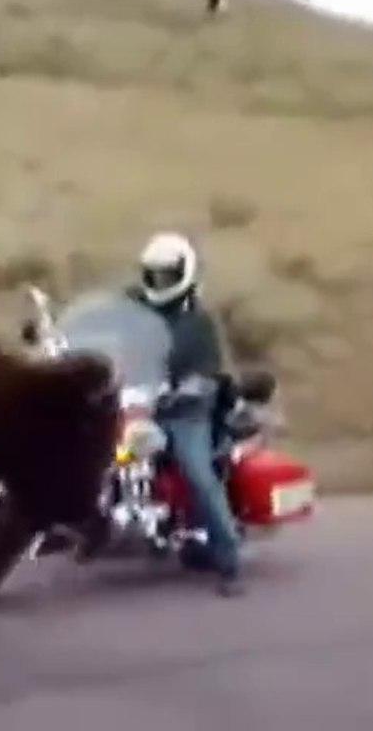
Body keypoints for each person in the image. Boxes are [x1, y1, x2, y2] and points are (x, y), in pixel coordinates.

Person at [129, 230, 246, 596]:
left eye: (167, 275)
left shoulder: (198, 323)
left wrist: (184, 389)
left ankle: (229, 561)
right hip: (138, 402)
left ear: (184, 273)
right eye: (154, 274)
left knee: (199, 477)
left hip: (184, 412)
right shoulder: (134, 306)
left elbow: (207, 374)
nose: (159, 282)